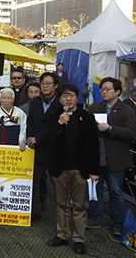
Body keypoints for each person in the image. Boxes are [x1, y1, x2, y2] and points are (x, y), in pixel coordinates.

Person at [44, 83, 99, 255]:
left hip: (80, 169)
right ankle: (62, 234)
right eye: (65, 96)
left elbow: (94, 145)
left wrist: (94, 170)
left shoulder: (87, 117)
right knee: (61, 203)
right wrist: (60, 123)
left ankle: (79, 239)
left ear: (77, 97)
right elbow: (47, 138)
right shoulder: (53, 115)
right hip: (60, 168)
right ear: (59, 98)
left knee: (79, 205)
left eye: (72, 95)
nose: (68, 99)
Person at [87, 77, 136, 237]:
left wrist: (110, 128)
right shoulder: (94, 107)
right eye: (102, 89)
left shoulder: (127, 110)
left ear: (117, 91)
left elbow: (131, 132)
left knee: (116, 191)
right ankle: (95, 218)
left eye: (108, 89)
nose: (104, 92)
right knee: (95, 189)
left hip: (116, 157)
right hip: (96, 156)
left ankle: (117, 223)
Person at [26, 72, 61, 218]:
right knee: (35, 181)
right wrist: (30, 137)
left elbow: (55, 128)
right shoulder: (36, 101)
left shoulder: (60, 104)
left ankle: (60, 215)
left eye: (48, 83)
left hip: (53, 147)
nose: (45, 86)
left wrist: (38, 139)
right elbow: (31, 121)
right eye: (43, 83)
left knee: (57, 183)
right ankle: (35, 211)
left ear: (56, 86)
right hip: (36, 146)